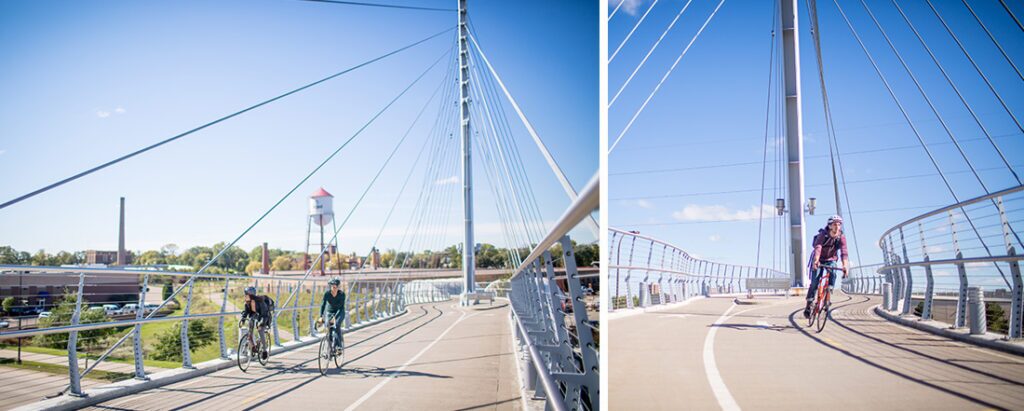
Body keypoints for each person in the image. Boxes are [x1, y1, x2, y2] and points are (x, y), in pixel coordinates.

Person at [804, 215, 850, 318]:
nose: (837, 227)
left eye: (839, 224)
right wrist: (816, 260)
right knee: (815, 282)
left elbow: (844, 252)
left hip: (831, 260)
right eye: (834, 224)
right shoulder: (823, 234)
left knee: (833, 273)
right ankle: (809, 304)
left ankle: (828, 295)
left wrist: (845, 266)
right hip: (819, 259)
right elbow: (818, 247)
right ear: (830, 226)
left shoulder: (841, 237)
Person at [241, 286, 273, 360]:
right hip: (255, 317)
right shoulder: (247, 302)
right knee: (250, 331)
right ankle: (253, 347)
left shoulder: (260, 302)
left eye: (246, 294)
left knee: (260, 330)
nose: (245, 295)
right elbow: (246, 312)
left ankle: (264, 351)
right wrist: (243, 319)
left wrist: (261, 324)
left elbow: (264, 314)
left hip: (264, 317)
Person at [316, 278, 346, 354]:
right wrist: (320, 316)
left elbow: (340, 308)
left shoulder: (342, 294)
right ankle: (330, 348)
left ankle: (338, 347)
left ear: (338, 287)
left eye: (335, 287)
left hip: (340, 312)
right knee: (328, 327)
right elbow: (323, 305)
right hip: (330, 312)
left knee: (336, 325)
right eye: (332, 286)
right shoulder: (327, 294)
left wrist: (335, 318)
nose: (333, 288)